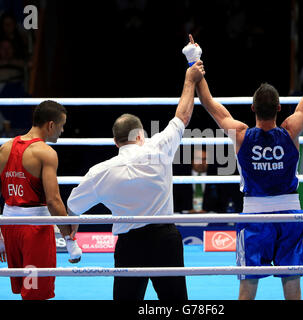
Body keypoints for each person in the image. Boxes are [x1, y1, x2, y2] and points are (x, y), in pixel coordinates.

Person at [185, 23, 303, 300]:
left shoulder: (241, 134)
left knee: (248, 287)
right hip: (290, 215)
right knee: (291, 283)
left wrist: (194, 60)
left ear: (252, 108)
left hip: (255, 217)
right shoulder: (291, 130)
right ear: (279, 108)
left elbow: (208, 103)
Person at [66, 60, 205, 300]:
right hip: (166, 241)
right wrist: (189, 78)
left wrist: (71, 236)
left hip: (130, 246)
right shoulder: (158, 147)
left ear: (115, 141)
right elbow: (183, 115)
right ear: (141, 135)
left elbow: (71, 207)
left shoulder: (100, 172)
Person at [0, 100, 82, 300]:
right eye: (62, 125)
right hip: (35, 231)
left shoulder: (5, 147)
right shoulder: (46, 153)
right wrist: (69, 240)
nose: (62, 131)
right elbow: (53, 201)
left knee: (26, 289)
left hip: (9, 227)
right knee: (36, 293)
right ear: (50, 125)